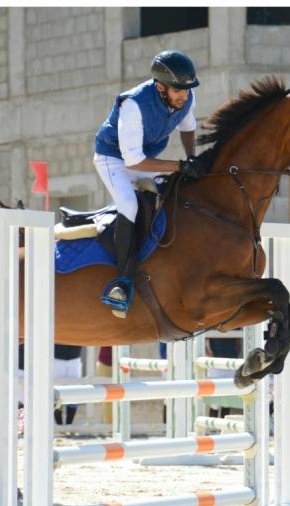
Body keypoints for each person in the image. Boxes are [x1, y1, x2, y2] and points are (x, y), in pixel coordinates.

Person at [93, 49, 206, 316]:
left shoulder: (185, 98)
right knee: (129, 204)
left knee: (177, 190)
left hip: (145, 160)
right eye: (178, 90)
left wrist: (191, 158)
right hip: (114, 159)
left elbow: (188, 127)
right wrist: (179, 165)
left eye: (187, 90)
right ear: (160, 87)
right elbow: (133, 162)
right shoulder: (133, 105)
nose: (184, 96)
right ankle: (121, 282)